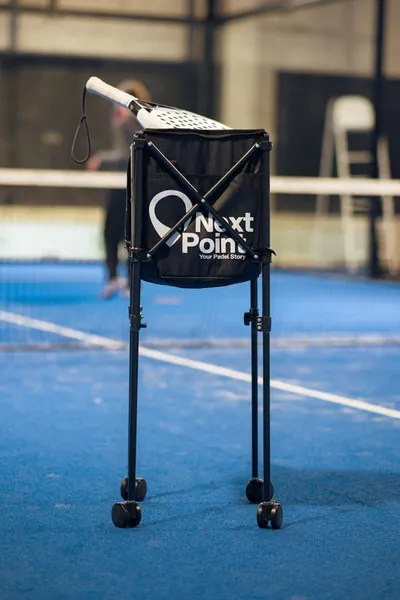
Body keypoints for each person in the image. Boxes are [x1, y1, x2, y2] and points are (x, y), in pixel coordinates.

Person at [87, 79, 151, 298]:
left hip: (132, 183)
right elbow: (120, 151)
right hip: (116, 182)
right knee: (110, 232)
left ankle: (131, 283)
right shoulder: (119, 122)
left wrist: (101, 158)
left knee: (131, 236)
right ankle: (113, 278)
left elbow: (126, 154)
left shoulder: (137, 122)